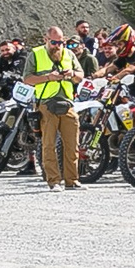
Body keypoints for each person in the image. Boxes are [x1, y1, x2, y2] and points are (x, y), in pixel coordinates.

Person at [27, 25, 84, 190]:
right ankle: (53, 181)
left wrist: (72, 74)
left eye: (60, 42)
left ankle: (72, 180)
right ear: (46, 40)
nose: (57, 46)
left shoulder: (69, 54)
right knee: (49, 145)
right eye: (54, 42)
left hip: (67, 103)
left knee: (72, 145)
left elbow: (80, 76)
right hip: (46, 104)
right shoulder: (36, 54)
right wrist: (48, 78)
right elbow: (27, 78)